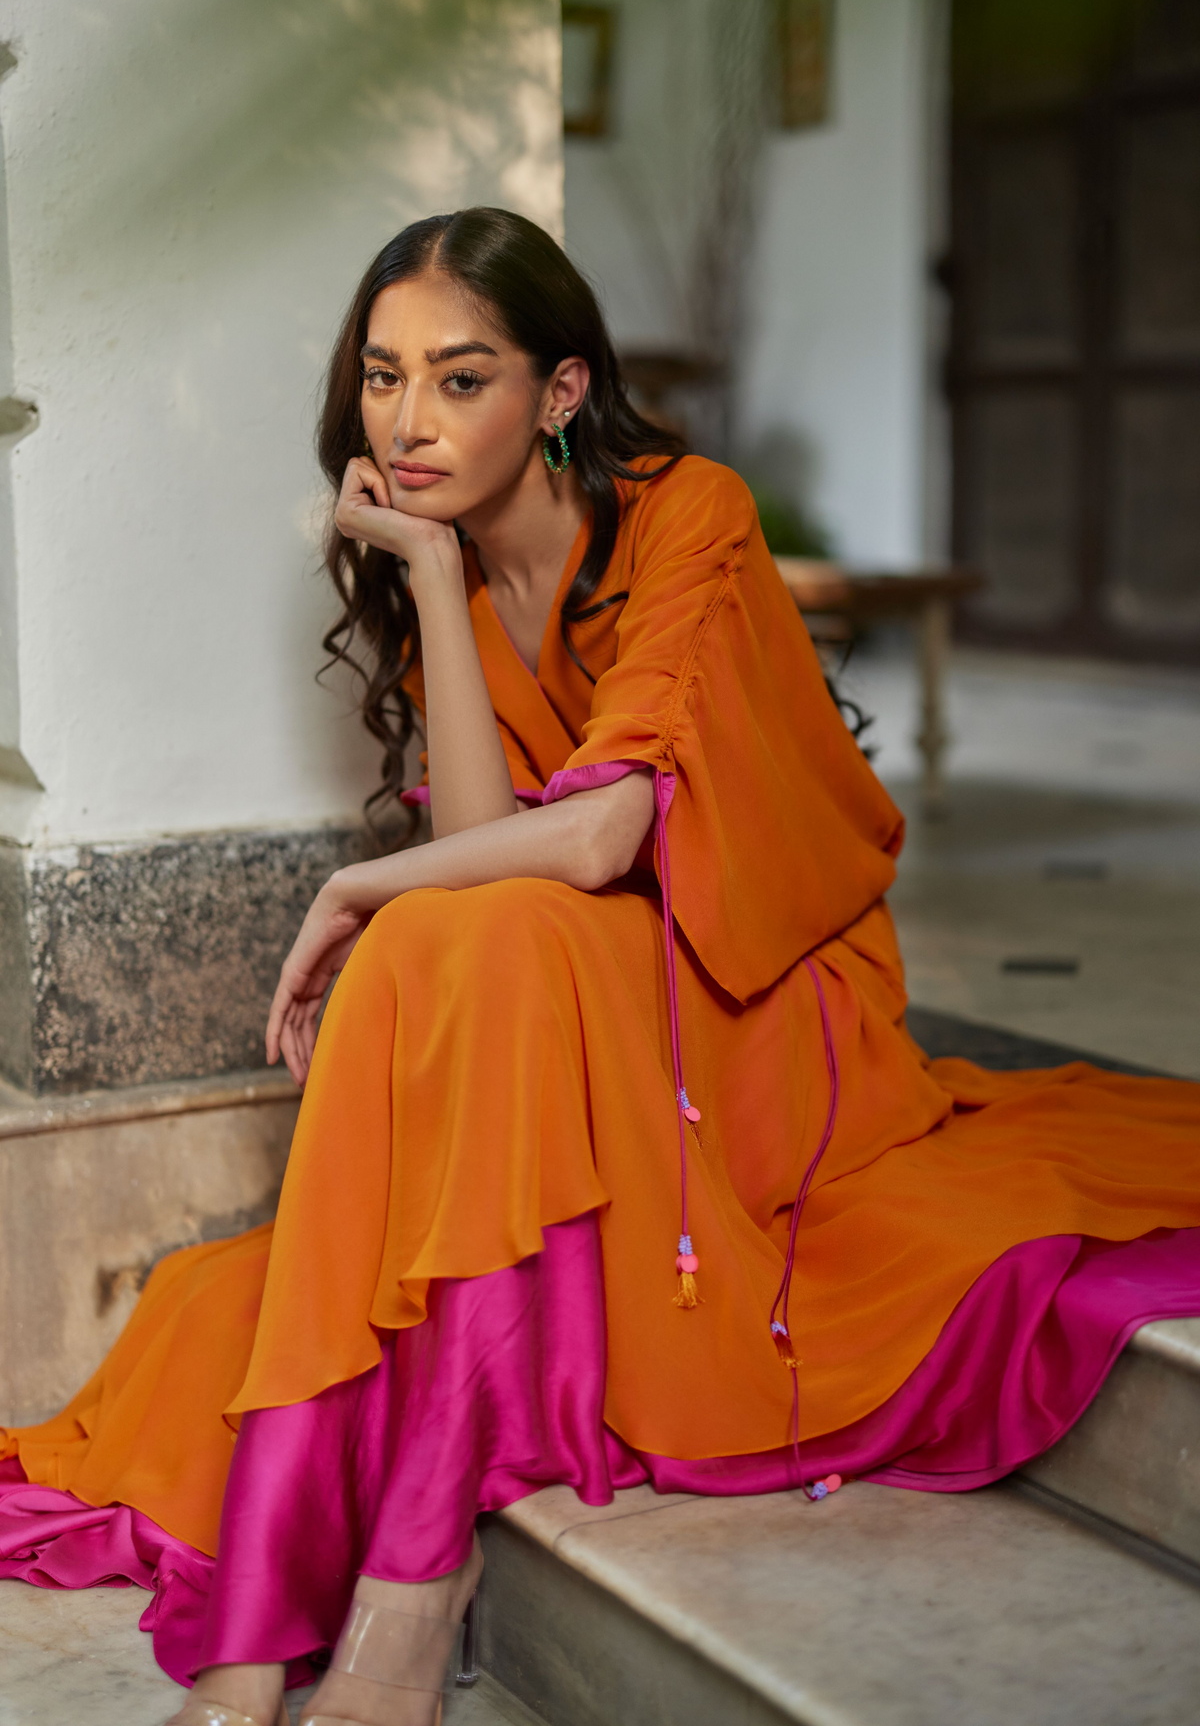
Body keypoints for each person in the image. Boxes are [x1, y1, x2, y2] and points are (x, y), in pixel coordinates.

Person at [2, 208, 1199, 1726]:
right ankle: (274, 1648)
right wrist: (435, 581)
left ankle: (403, 1601)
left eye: (461, 377)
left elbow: (596, 840)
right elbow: (504, 844)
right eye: (382, 379)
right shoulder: (450, 556)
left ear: (560, 394)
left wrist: (357, 887)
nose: (409, 421)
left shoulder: (689, 511)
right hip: (582, 983)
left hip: (770, 1001)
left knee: (443, 931)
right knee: (456, 939)